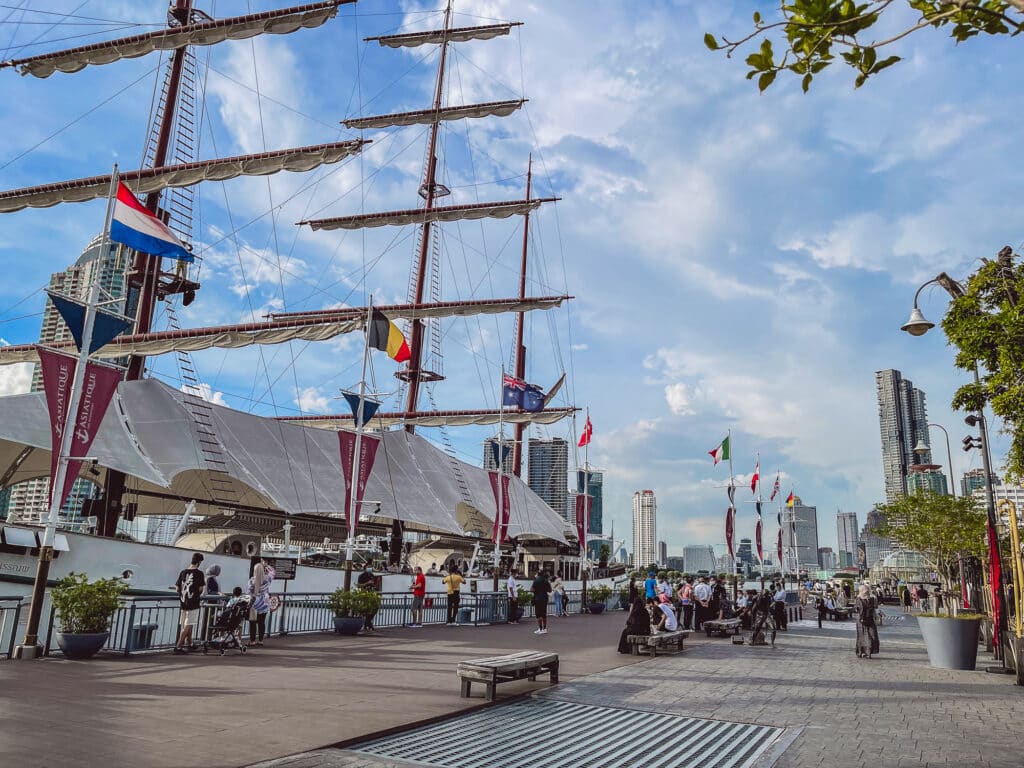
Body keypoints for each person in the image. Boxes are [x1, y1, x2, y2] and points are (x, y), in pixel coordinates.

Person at [174, 552, 206, 654]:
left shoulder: (183, 572)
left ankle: (190, 644)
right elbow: (201, 589)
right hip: (193, 603)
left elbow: (177, 588)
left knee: (188, 623)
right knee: (188, 625)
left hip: (183, 602)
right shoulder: (199, 574)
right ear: (199, 562)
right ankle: (178, 646)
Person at [248, 558, 275, 646]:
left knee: (252, 622)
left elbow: (249, 592)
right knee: (261, 622)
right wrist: (266, 565)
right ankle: (260, 640)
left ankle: (252, 641)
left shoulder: (251, 581)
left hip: (255, 603)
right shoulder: (267, 579)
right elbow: (273, 572)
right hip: (265, 602)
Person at [855, 584, 879, 658]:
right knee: (862, 636)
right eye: (865, 591)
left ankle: (869, 651)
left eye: (868, 591)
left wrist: (876, 616)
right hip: (861, 620)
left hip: (870, 618)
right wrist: (858, 609)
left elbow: (875, 608)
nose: (867, 592)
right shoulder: (858, 598)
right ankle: (863, 652)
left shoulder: (872, 598)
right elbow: (857, 608)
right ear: (861, 591)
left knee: (873, 635)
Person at [357, 565, 379, 631]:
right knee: (366, 610)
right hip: (364, 593)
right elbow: (358, 585)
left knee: (375, 608)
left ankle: (368, 622)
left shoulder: (372, 575)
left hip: (371, 593)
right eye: (369, 568)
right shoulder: (361, 576)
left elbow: (374, 584)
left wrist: (374, 586)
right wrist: (367, 583)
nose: (370, 569)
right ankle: (367, 624)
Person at [531, 570, 552, 634]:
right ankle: (545, 629)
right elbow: (550, 590)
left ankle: (540, 628)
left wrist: (536, 591)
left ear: (538, 574)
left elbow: (531, 589)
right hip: (544, 599)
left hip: (537, 599)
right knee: (544, 614)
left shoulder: (536, 580)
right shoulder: (546, 581)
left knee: (538, 615)